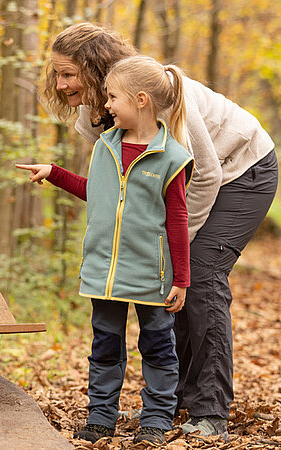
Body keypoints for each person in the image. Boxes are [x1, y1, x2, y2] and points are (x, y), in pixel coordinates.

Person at [40, 22, 278, 440]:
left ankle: (210, 412)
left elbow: (203, 175)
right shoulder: (94, 116)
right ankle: (174, 403)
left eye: (68, 74)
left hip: (242, 171)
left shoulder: (157, 100)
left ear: (95, 70)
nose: (59, 85)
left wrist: (172, 248)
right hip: (203, 179)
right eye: (55, 74)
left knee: (199, 278)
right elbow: (115, 185)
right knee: (171, 287)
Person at [17, 55, 194, 444]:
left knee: (158, 347)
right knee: (104, 346)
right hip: (104, 272)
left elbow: (178, 220)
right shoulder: (105, 146)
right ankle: (100, 417)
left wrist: (182, 277)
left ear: (141, 100)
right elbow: (97, 193)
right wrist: (55, 172)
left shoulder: (173, 158)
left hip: (152, 274)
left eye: (113, 97)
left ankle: (156, 420)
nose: (107, 105)